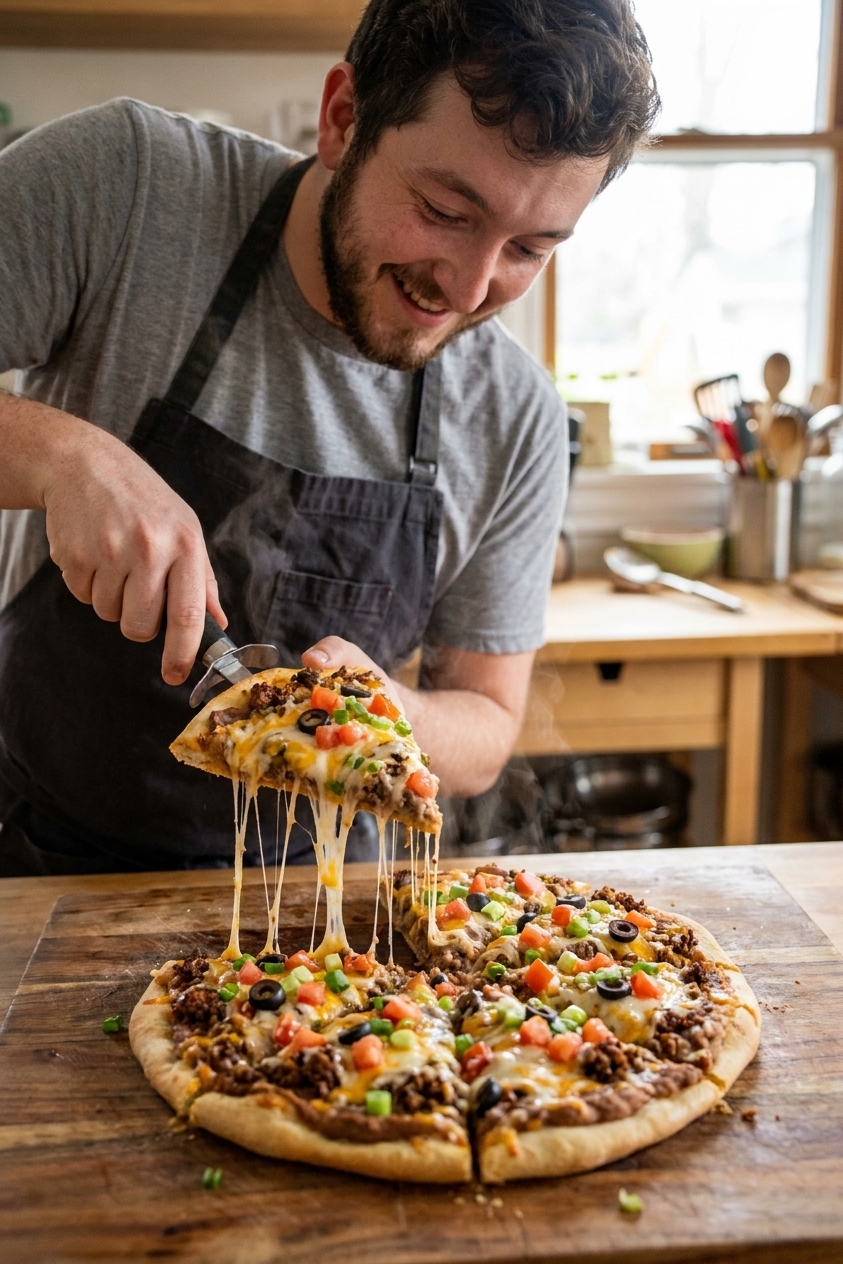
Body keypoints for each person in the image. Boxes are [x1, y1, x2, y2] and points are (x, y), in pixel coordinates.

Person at [0, 0, 658, 875]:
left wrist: (386, 713)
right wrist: (63, 457)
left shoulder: (516, 416)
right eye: (444, 211)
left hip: (327, 931)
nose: (468, 289)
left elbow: (487, 724)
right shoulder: (126, 185)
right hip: (33, 863)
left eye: (529, 248)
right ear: (344, 118)